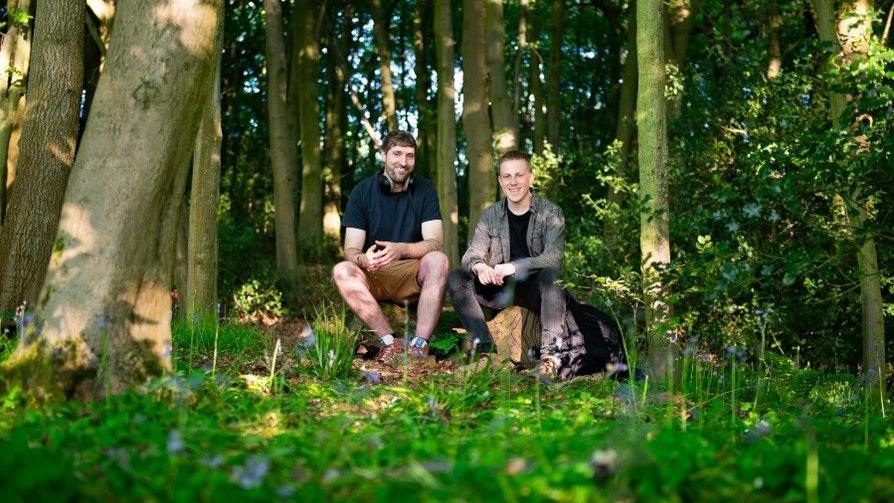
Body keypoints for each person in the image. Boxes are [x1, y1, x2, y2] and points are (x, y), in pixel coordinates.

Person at [447, 150, 578, 379]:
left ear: (531, 178)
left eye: (519, 175)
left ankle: (549, 360)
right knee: (457, 277)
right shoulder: (490, 216)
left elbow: (553, 257)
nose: (513, 182)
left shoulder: (551, 212)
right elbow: (471, 255)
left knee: (552, 276)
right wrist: (481, 267)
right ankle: (486, 352)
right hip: (501, 289)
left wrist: (515, 266)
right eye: (507, 176)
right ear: (500, 181)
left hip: (535, 291)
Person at [332, 130, 448, 364]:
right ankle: (388, 342)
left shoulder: (424, 190)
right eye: (396, 154)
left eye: (410, 155)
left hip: (411, 275)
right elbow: (351, 250)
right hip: (374, 275)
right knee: (341, 270)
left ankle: (419, 346)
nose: (403, 162)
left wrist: (400, 249)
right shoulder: (362, 192)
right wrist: (363, 260)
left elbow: (436, 242)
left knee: (439, 259)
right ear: (383, 155)